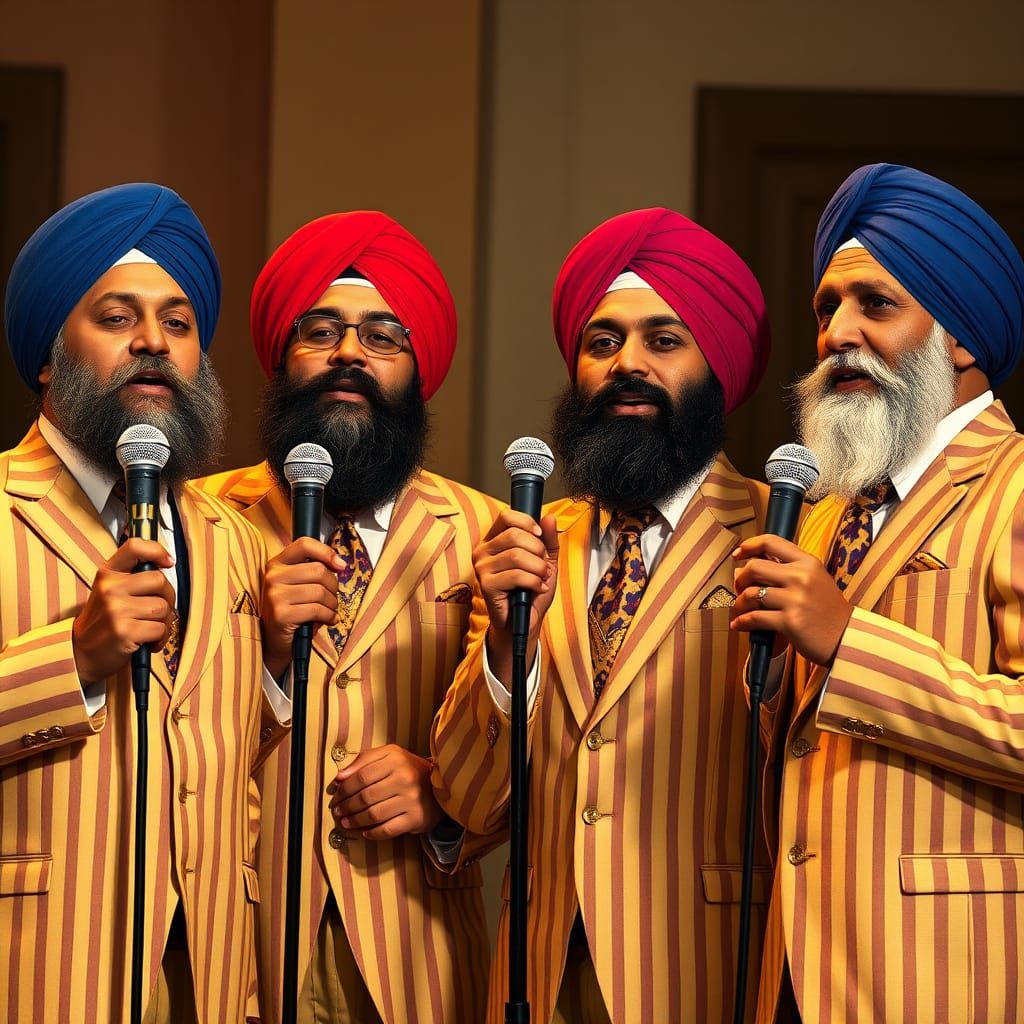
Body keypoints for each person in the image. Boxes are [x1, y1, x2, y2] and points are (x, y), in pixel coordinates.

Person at [430, 207, 774, 1022]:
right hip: (543, 974)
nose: (630, 364)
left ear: (715, 366)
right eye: (603, 342)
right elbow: (472, 802)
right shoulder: (529, 542)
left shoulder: (782, 535)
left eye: (664, 341)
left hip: (708, 970)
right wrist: (511, 652)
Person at [730, 163, 1024, 1024]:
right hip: (793, 969)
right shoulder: (824, 514)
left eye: (875, 305)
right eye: (828, 309)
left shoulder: (1013, 486)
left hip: (947, 979)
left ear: (961, 337)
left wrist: (848, 641)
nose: (837, 334)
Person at [200, 210, 500, 1023]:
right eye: (320, 330)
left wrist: (444, 800)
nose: (348, 355)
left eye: (382, 337)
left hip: (418, 958)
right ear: (281, 358)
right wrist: (261, 652)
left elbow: (544, 763)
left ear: (419, 369)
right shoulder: (198, 524)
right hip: (236, 946)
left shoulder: (486, 535)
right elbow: (156, 737)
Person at [0, 183, 290, 1023]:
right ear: (50, 353)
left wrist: (271, 670)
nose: (154, 342)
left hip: (206, 972)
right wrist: (74, 660)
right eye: (118, 318)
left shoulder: (232, 537)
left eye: (178, 321)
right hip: (41, 972)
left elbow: (222, 761)